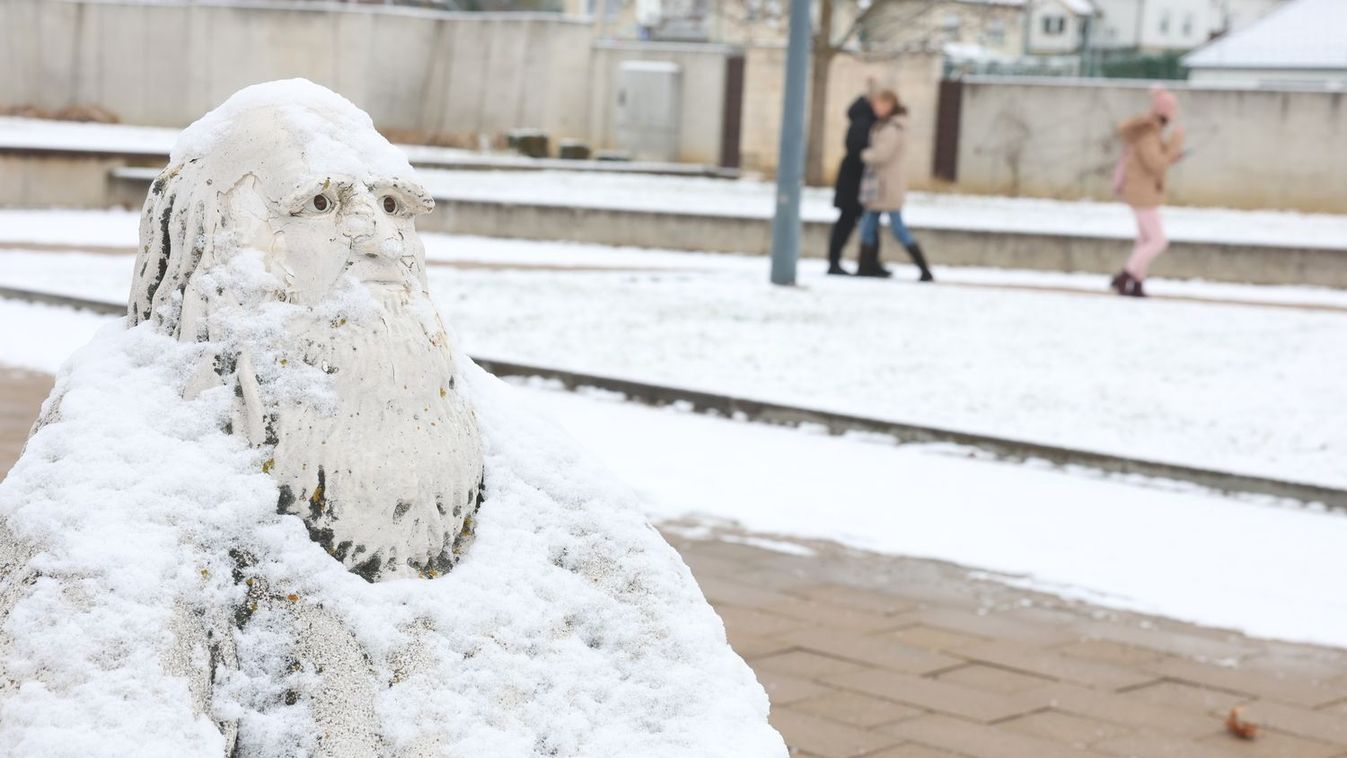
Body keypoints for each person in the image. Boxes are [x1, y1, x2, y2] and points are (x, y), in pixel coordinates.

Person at [1111, 85, 1185, 297]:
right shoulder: (1148, 134)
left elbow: (1154, 160)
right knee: (1158, 241)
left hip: (1140, 191)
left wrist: (1169, 153)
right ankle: (1126, 276)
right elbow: (1156, 164)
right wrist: (1175, 145)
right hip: (1142, 193)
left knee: (1145, 240)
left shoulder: (1149, 132)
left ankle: (1136, 284)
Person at [858, 90, 934, 281]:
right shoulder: (889, 125)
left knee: (897, 228)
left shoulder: (892, 128)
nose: (876, 109)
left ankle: (924, 269)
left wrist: (864, 154)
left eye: (879, 105)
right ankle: (865, 266)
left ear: (890, 104)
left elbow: (881, 154)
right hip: (881, 185)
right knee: (869, 226)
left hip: (886, 186)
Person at [826, 94, 880, 275]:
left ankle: (869, 262)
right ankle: (837, 261)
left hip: (854, 181)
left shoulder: (862, 122)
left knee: (863, 223)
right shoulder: (863, 124)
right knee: (848, 223)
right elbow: (858, 151)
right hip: (854, 183)